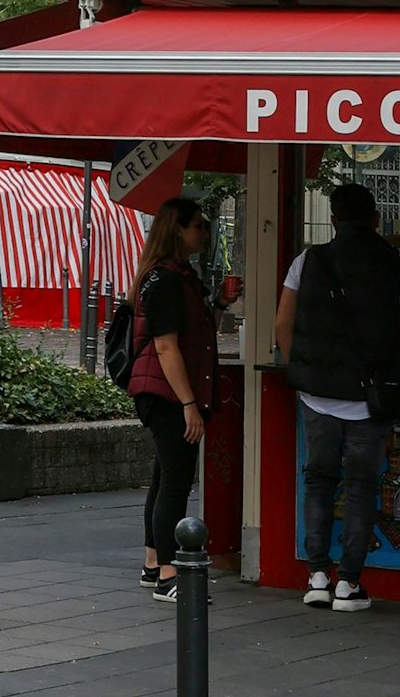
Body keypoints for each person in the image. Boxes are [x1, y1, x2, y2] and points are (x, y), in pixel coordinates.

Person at [274, 183, 400, 614]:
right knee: (361, 487)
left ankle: (317, 576)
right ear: (376, 219)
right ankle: (350, 584)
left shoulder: (308, 261)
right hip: (367, 401)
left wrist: (301, 371)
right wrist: (387, 376)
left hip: (317, 396)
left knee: (318, 480)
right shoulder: (397, 267)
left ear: (334, 220)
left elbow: (282, 325)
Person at [126, 197, 229, 604]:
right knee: (176, 481)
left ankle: (154, 563)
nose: (204, 232)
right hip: (169, 392)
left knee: (163, 476)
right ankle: (170, 573)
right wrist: (189, 403)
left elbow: (198, 330)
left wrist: (219, 303)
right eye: (199, 226)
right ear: (178, 230)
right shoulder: (168, 280)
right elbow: (167, 347)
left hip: (160, 390)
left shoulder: (167, 275)